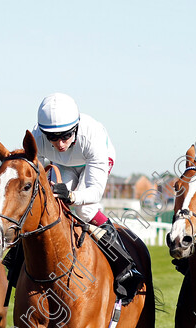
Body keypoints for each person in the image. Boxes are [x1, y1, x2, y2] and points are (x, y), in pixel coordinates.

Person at [31, 93, 143, 302]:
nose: (60, 144)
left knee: (85, 209)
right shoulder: (37, 137)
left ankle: (125, 263)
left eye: (65, 136)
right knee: (49, 204)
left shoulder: (92, 136)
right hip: (64, 165)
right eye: (53, 138)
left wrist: (72, 195)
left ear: (76, 127)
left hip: (94, 159)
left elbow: (94, 191)